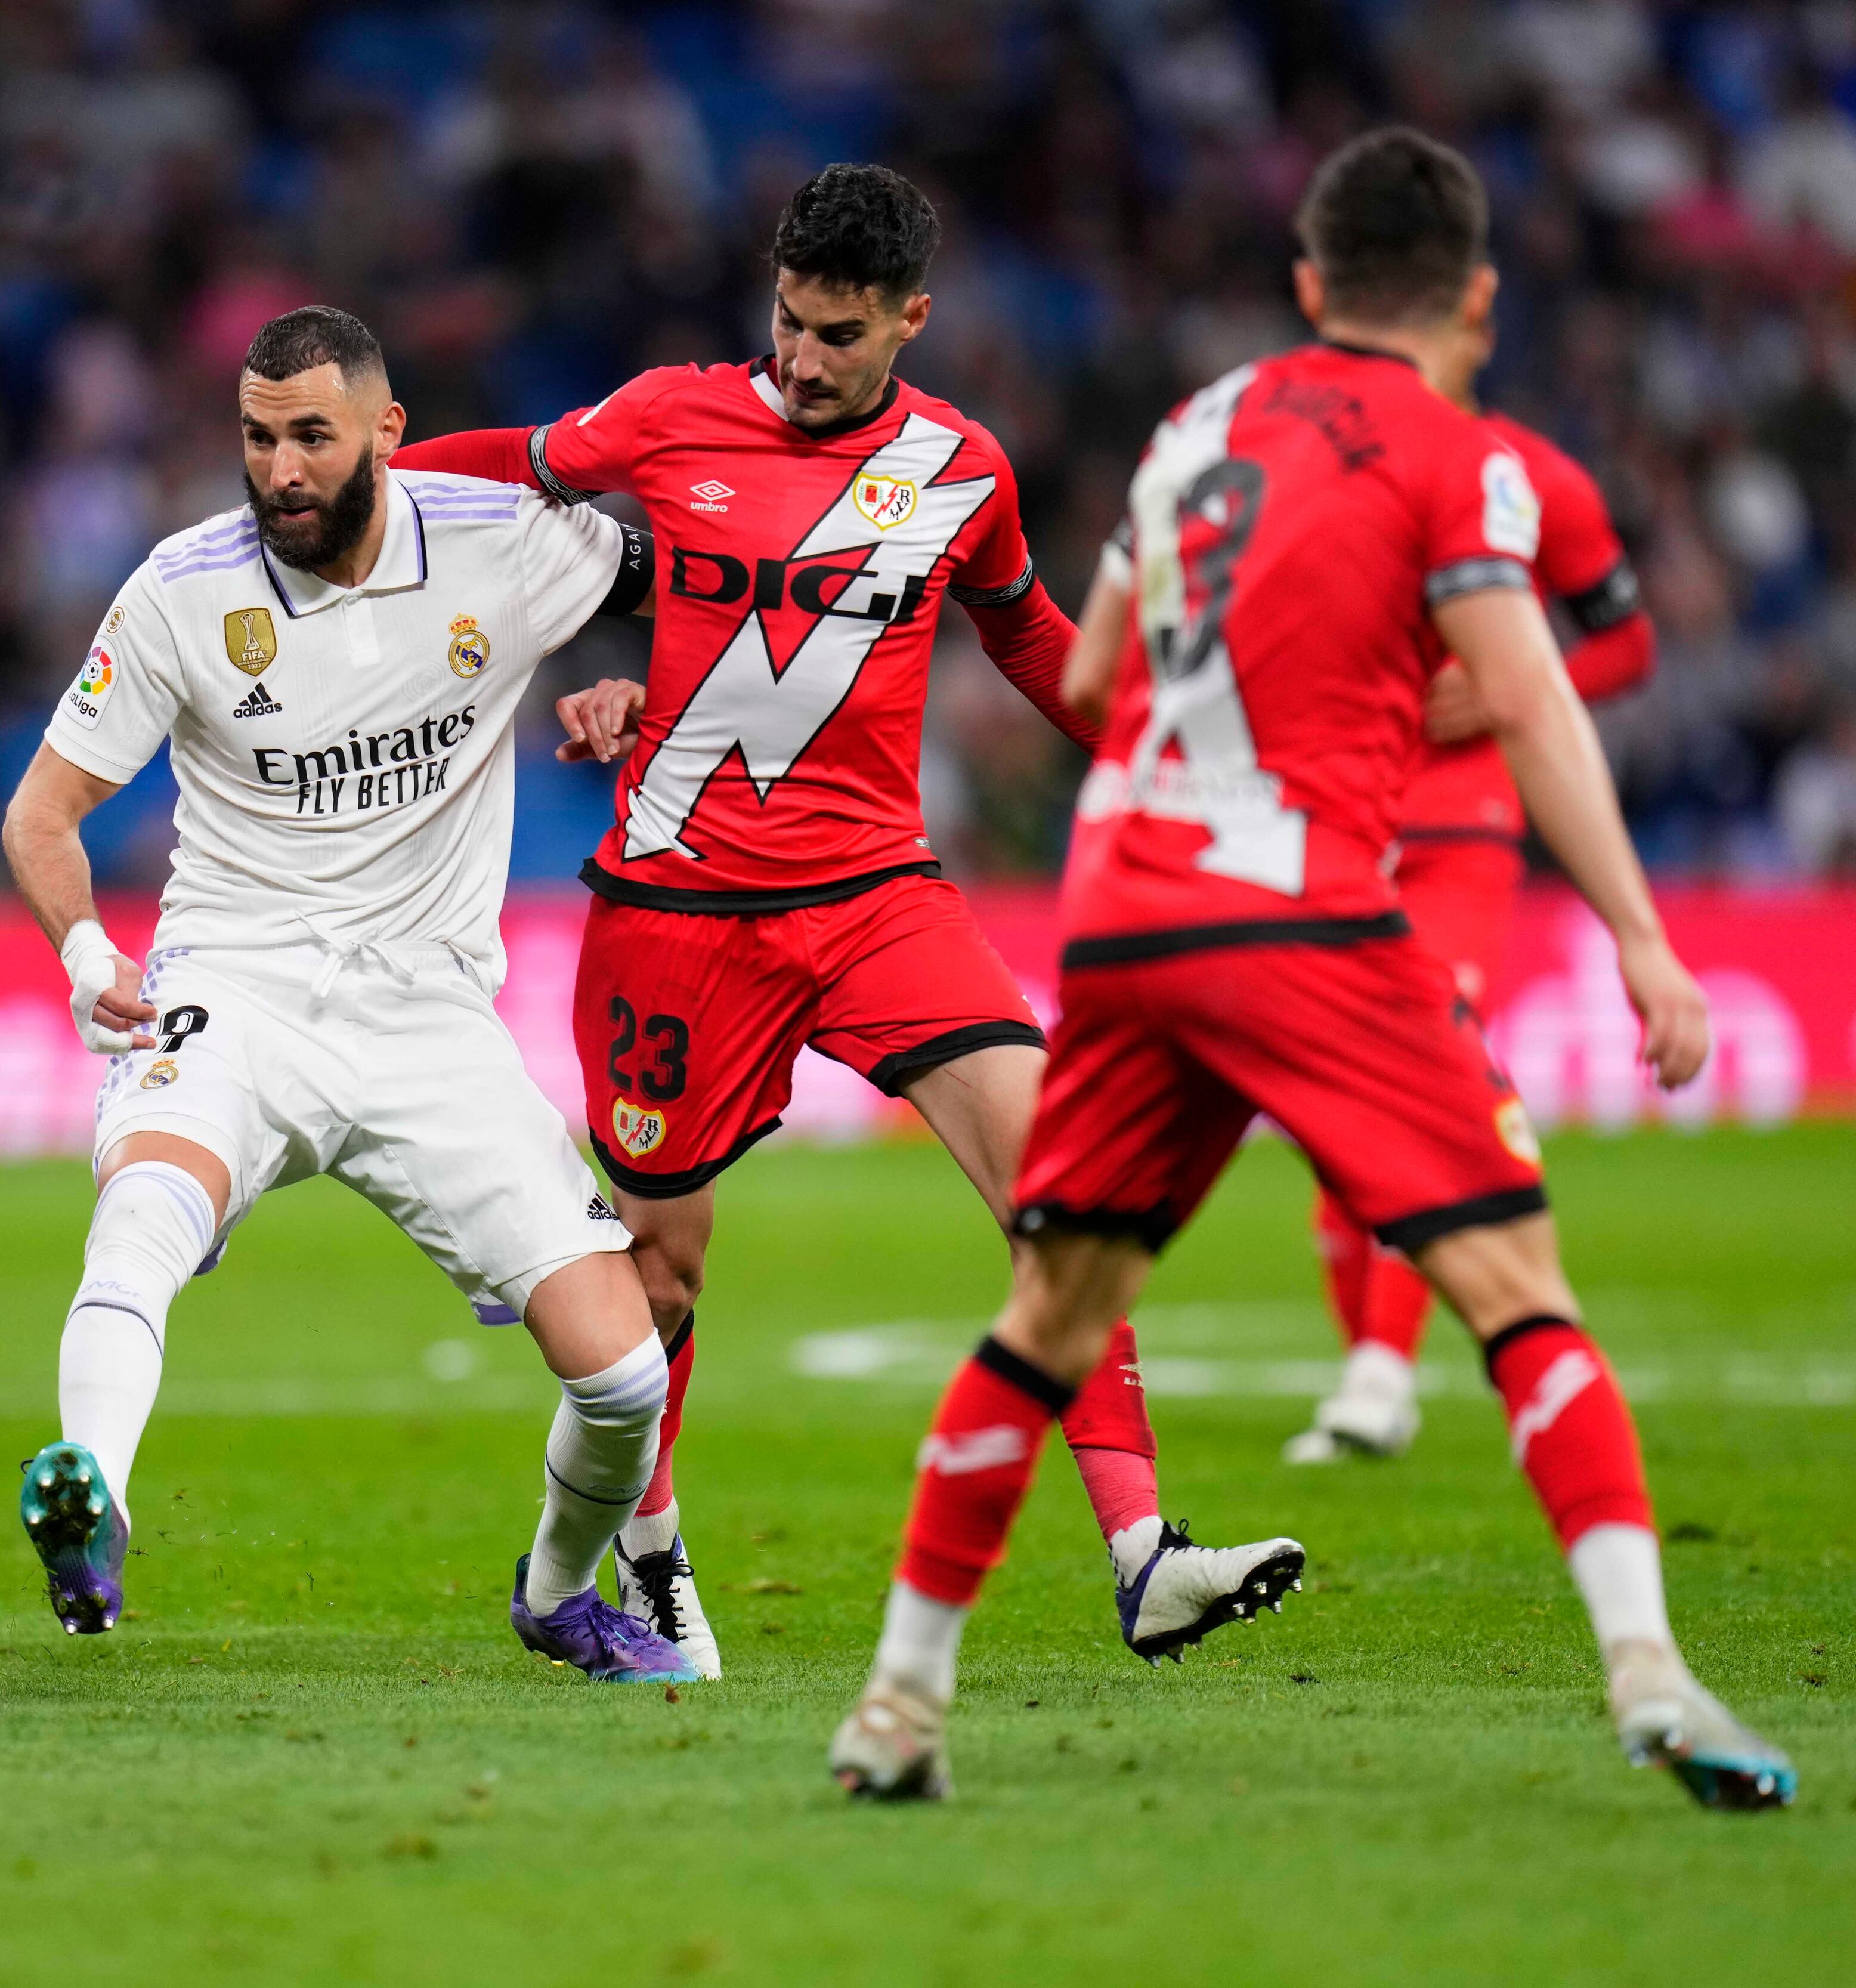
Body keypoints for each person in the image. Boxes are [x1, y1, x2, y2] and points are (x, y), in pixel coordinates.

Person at [830, 128, 1793, 1811]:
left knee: (1050, 1312)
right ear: (1478, 298)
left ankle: (898, 1707)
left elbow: (1111, 664)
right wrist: (1642, 935)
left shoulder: (1195, 425)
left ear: (1305, 287)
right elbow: (1539, 695)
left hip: (1123, 906)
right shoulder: (1462, 454)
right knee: (1517, 1283)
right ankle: (1652, 1672)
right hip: (1303, 910)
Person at [391, 164, 1301, 1678]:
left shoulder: (964, 468)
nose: (803, 358)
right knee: (662, 1278)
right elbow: (524, 466)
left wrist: (1163, 749)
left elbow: (1028, 635)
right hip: (677, 913)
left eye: (838, 333)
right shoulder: (672, 413)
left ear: (910, 320)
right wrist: (375, 467)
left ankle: (1146, 1557)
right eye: (789, 322)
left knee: (1063, 1191)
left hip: (879, 895)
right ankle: (650, 1551)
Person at [0, 304, 697, 1684]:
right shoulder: (181, 590)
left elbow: (717, 586)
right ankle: (97, 1509)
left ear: (386, 429)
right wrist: (89, 954)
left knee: (623, 1375)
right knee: (142, 1211)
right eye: (256, 439)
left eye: (311, 436)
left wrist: (644, 693)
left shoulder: (506, 539)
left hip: (429, 1018)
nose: (279, 471)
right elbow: (42, 814)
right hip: (235, 984)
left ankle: (559, 1592)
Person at [1289, 369, 1654, 1463]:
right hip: (1339, 809)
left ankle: (1381, 1369)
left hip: (1462, 821)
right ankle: (1380, 1369)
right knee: (1331, 1106)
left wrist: (1511, 686)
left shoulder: (1537, 477)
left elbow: (1626, 645)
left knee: (1423, 1063)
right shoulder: (1315, 460)